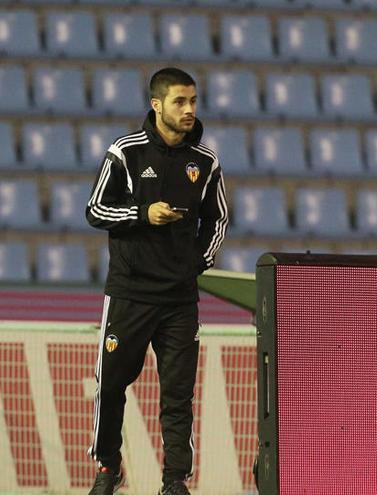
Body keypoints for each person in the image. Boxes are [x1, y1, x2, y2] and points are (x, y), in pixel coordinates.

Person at [85, 67, 228, 495]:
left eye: (193, 101)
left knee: (178, 395)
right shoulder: (124, 152)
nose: (189, 110)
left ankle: (175, 481)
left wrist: (196, 265)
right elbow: (95, 209)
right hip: (130, 293)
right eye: (180, 102)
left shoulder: (204, 162)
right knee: (110, 386)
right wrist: (141, 214)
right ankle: (109, 467)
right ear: (157, 105)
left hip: (180, 299)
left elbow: (217, 220)